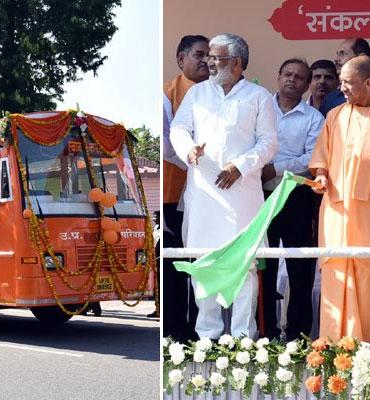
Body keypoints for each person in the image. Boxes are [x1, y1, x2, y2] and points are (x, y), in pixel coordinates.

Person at [170, 33, 277, 339]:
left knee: (244, 264)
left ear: (237, 63)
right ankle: (207, 335)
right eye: (209, 58)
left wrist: (239, 167)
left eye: (216, 58)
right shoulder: (198, 94)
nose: (210, 63)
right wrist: (188, 149)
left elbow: (269, 143)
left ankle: (244, 336)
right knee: (204, 262)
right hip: (204, 194)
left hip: (242, 196)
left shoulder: (259, 96)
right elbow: (179, 128)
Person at [309, 56, 370, 344]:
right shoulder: (334, 116)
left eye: (348, 83)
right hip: (337, 214)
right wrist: (322, 176)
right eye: (340, 82)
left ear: (368, 83)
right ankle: (334, 343)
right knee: (337, 271)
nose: (342, 88)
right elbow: (322, 161)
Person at [259, 58, 324, 340]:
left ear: (306, 84)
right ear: (278, 76)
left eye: (299, 77)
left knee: (300, 268)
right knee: (263, 265)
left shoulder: (313, 118)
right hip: (261, 195)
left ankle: (298, 335)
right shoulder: (261, 108)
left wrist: (276, 166)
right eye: (287, 74)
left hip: (296, 196)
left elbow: (312, 158)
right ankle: (265, 331)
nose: (292, 80)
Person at [162, 34, 209, 340]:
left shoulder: (217, 94)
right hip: (173, 195)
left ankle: (200, 329)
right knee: (177, 266)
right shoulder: (168, 94)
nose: (206, 60)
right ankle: (176, 331)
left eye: (210, 55)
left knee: (203, 261)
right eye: (199, 54)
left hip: (208, 197)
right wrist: (199, 169)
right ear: (181, 59)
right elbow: (167, 146)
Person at [319, 38, 370, 116]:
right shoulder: (330, 100)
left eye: (342, 53)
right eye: (337, 54)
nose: (336, 59)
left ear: (361, 57)